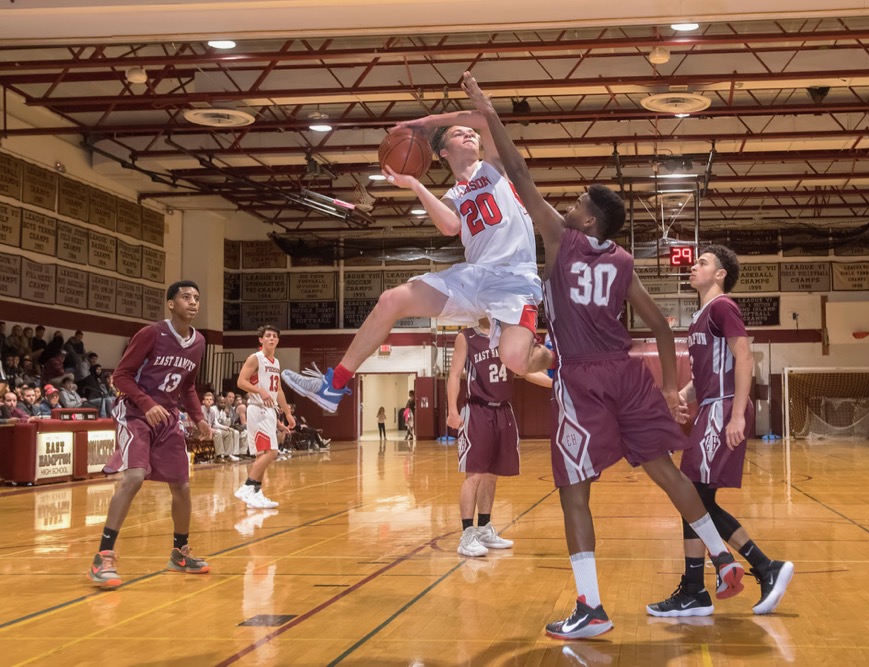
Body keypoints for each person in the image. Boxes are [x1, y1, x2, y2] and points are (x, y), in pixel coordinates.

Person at [462, 72, 745, 640]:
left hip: (583, 379)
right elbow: (663, 328)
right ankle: (722, 557)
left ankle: (590, 607)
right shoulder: (620, 261)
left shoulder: (561, 240)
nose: (567, 205)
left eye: (576, 203)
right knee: (665, 470)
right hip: (630, 375)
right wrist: (668, 387)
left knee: (574, 491)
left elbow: (519, 174)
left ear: (586, 220)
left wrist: (488, 112)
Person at [281, 105, 553, 415]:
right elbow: (450, 226)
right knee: (391, 300)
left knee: (516, 360)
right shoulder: (453, 194)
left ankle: (558, 359)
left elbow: (482, 119)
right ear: (443, 153)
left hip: (512, 278)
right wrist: (414, 184)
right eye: (457, 133)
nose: (468, 133)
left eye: (470, 134)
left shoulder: (494, 166)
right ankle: (335, 385)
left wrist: (427, 122)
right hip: (475, 277)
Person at [646, 246, 794, 618]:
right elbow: (703, 377)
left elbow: (743, 356)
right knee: (696, 499)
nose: (694, 266)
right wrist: (680, 396)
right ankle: (717, 582)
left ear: (721, 274)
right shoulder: (700, 317)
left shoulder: (723, 307)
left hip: (724, 407)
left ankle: (751, 571)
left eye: (703, 262)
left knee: (691, 495)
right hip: (711, 406)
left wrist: (739, 415)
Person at [89, 280, 213, 589]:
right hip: (134, 413)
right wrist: (146, 404)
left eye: (196, 298)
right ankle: (103, 555)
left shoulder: (198, 342)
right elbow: (120, 375)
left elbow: (187, 386)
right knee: (134, 477)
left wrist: (199, 418)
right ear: (171, 304)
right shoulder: (151, 333)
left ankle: (180, 552)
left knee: (182, 486)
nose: (193, 302)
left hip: (168, 418)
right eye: (186, 297)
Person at [449, 318, 552, 557]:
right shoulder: (466, 337)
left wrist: (554, 384)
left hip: (503, 410)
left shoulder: (508, 336)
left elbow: (525, 371)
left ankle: (485, 528)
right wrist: (453, 411)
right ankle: (466, 535)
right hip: (477, 409)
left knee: (491, 476)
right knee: (473, 475)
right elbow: (454, 375)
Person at [235, 325, 295, 510]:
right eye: (267, 336)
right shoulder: (256, 358)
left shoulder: (275, 362)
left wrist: (287, 413)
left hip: (268, 410)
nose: (271, 339)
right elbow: (241, 381)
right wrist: (260, 390)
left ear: (278, 340)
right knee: (272, 452)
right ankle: (247, 487)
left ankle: (255, 494)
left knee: (262, 454)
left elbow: (278, 390)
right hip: (258, 409)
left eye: (274, 336)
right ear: (261, 340)